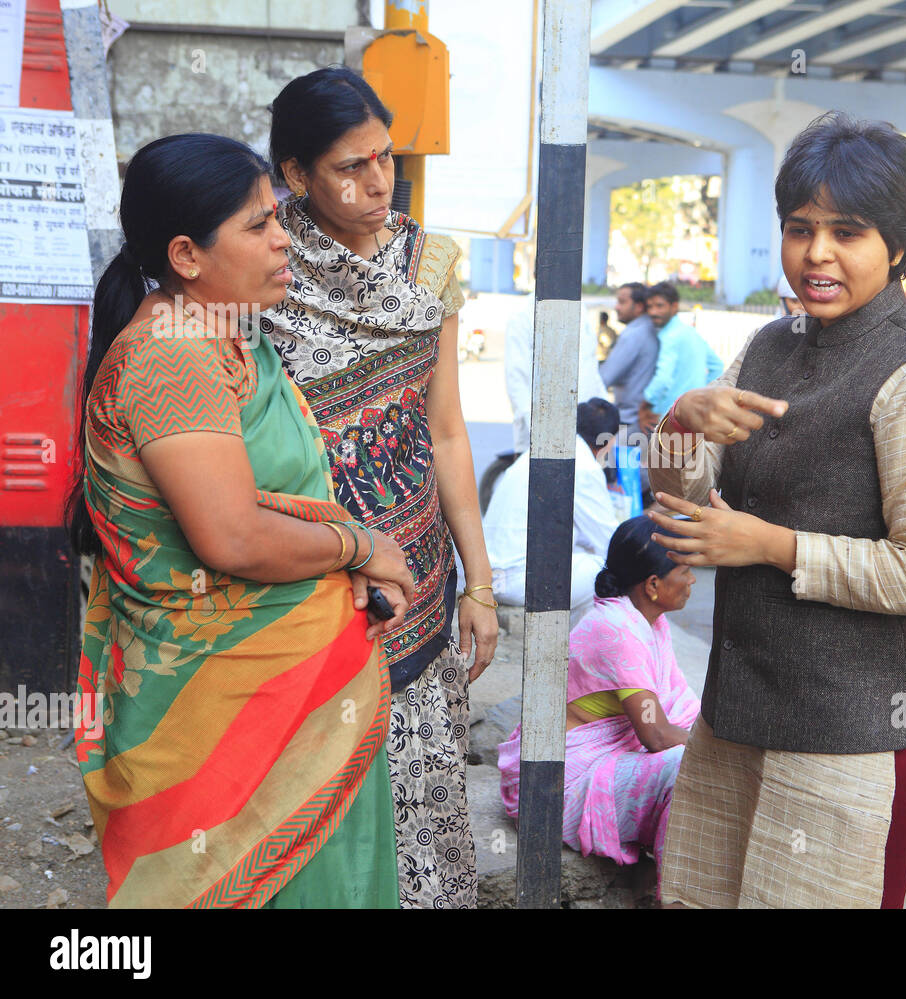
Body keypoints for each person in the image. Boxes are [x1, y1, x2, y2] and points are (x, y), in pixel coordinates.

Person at [646, 112, 906, 909]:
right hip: (742, 713)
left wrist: (769, 544)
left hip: (858, 736)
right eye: (800, 229)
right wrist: (680, 424)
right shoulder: (769, 346)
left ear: (899, 246)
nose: (818, 253)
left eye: (848, 231)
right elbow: (681, 504)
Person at [69, 133, 414, 908]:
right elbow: (230, 537)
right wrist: (362, 545)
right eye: (258, 225)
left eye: (276, 217)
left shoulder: (234, 337)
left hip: (308, 708)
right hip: (232, 726)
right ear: (187, 254)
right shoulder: (173, 357)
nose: (284, 236)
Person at [263, 66, 496, 908]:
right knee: (327, 808)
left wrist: (481, 582)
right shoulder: (262, 267)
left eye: (384, 158)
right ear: (295, 175)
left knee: (422, 799)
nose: (375, 182)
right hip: (310, 586)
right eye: (348, 166)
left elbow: (445, 432)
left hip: (421, 579)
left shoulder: (428, 263)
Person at [497, 516, 700, 875]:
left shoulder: (649, 622)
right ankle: (678, 892)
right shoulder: (617, 631)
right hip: (558, 785)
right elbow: (655, 734)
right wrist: (721, 748)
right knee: (687, 766)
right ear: (653, 584)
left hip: (599, 761)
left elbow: (680, 705)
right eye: (684, 571)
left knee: (707, 759)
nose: (692, 580)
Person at [484, 398, 622, 629]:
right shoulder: (584, 466)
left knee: (590, 559)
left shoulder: (547, 449)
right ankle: (576, 650)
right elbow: (609, 541)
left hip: (494, 575)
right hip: (517, 578)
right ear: (608, 441)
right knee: (609, 572)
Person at [505, 294, 606, 454]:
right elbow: (516, 379)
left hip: (585, 428)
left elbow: (589, 363)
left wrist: (603, 403)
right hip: (544, 433)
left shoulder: (580, 307)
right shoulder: (524, 315)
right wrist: (535, 427)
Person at [637, 283, 724, 432]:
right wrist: (701, 395)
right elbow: (717, 366)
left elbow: (662, 379)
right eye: (649, 307)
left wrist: (644, 404)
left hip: (669, 415)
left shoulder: (670, 336)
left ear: (674, 306)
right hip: (694, 412)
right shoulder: (689, 332)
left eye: (659, 306)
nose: (653, 312)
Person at [599, 282, 659, 430]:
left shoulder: (634, 334)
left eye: (622, 302)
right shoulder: (651, 328)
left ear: (639, 306)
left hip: (632, 420)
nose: (616, 307)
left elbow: (605, 378)